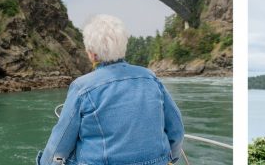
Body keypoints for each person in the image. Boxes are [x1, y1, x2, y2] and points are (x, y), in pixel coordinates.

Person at [37, 15, 185, 165]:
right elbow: (176, 129)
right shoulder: (150, 78)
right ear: (123, 46)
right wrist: (170, 159)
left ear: (92, 53)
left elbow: (59, 145)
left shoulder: (82, 87)